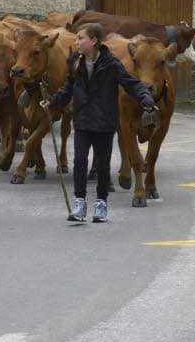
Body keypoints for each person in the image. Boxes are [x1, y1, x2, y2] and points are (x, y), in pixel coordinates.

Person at [40, 23, 155, 223]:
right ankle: (79, 203)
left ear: (93, 41)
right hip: (83, 120)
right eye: (76, 38)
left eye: (80, 38)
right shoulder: (75, 62)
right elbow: (68, 87)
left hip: (104, 122)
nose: (76, 42)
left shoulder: (111, 64)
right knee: (80, 162)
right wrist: (52, 101)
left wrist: (146, 99)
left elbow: (131, 83)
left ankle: (101, 203)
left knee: (102, 165)